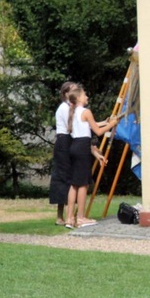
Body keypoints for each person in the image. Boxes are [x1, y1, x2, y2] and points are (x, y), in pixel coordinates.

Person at [65, 86, 115, 229]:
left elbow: (90, 126)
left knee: (74, 184)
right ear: (79, 98)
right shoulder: (86, 112)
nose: (87, 97)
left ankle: (69, 218)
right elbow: (98, 132)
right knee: (83, 184)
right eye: (85, 95)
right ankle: (80, 218)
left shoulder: (74, 112)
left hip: (74, 146)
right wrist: (111, 124)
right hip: (82, 149)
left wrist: (106, 122)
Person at [49, 81, 78, 225]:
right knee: (63, 176)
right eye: (73, 90)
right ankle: (61, 215)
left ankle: (69, 214)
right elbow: (71, 126)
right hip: (64, 141)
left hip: (68, 140)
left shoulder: (72, 107)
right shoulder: (64, 108)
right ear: (66, 93)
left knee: (70, 176)